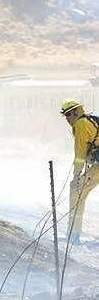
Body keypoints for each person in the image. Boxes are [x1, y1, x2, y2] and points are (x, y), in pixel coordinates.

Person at [60, 99, 99, 245]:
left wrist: (76, 176)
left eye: (69, 114)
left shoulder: (81, 124)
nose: (67, 119)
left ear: (76, 111)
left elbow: (80, 153)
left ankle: (73, 234)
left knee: (77, 190)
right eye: (65, 116)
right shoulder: (91, 119)